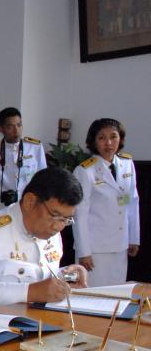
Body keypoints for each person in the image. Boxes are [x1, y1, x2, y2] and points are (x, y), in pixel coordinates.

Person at [0, 166, 88, 309]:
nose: (58, 227)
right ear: (29, 201)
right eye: (54, 215)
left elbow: (40, 275)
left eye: (66, 219)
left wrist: (67, 275)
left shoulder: (50, 231)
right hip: (0, 321)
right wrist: (30, 292)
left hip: (45, 318)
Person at [72, 118, 140, 287]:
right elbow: (80, 214)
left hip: (120, 244)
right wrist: (83, 251)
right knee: (94, 294)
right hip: (95, 248)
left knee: (116, 292)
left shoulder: (127, 164)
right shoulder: (85, 170)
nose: (108, 143)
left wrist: (134, 238)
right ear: (94, 141)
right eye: (102, 138)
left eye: (113, 137)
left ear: (120, 139)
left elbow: (132, 202)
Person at [0, 107, 47, 218]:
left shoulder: (35, 148)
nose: (16, 131)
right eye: (10, 127)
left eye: (19, 125)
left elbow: (43, 183)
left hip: (28, 210)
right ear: (0, 129)